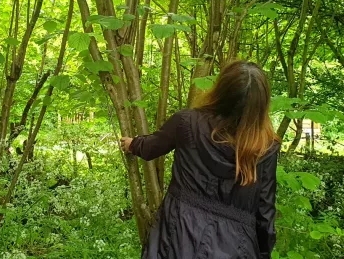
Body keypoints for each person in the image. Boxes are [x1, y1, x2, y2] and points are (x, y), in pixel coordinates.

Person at [120, 60, 280, 259]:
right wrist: (263, 253)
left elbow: (153, 146)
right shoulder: (266, 147)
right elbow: (265, 214)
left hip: (179, 235)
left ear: (221, 89)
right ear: (261, 104)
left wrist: (132, 144)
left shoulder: (187, 122)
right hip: (237, 246)